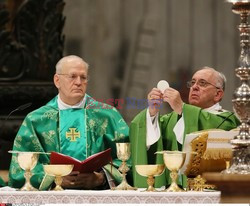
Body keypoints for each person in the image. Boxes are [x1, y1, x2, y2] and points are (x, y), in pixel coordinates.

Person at [8, 55, 129, 190]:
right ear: (57, 80)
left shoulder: (107, 115)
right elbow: (19, 170)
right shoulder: (36, 120)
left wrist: (101, 178)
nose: (78, 82)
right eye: (72, 76)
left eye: (83, 77)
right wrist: (54, 178)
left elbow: (128, 159)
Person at [129, 66, 240, 189]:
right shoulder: (173, 118)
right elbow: (141, 128)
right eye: (192, 83)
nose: (194, 87)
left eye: (202, 83)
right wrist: (152, 112)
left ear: (218, 94)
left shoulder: (227, 120)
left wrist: (182, 107)